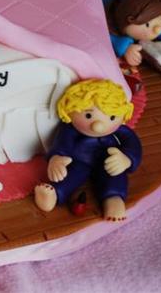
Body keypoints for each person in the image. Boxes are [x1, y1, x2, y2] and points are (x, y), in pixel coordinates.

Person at [33, 79, 142, 221]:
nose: (98, 126)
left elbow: (133, 145)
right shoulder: (69, 130)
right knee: (68, 175)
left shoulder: (121, 130)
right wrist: (56, 158)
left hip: (108, 160)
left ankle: (113, 198)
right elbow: (62, 143)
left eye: (111, 117)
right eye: (88, 115)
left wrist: (127, 159)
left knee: (115, 173)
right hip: (79, 161)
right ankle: (53, 195)